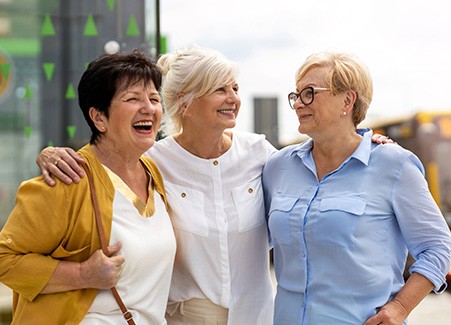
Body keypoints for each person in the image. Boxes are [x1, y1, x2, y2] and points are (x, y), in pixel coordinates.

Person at [35, 46, 392, 325]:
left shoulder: (261, 155)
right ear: (186, 104)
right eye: (220, 89)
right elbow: (106, 160)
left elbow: (322, 171)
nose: (233, 98)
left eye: (235, 87)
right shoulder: (153, 162)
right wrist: (50, 154)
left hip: (258, 317)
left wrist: (364, 144)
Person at [262, 51, 451, 325]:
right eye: (296, 95)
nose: (298, 104)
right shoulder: (277, 166)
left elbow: (437, 247)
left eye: (309, 93)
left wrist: (400, 308)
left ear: (347, 100)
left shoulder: (394, 164)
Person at [0, 50, 176, 324]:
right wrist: (83, 274)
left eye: (154, 99)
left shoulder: (153, 171)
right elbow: (4, 259)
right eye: (132, 99)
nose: (149, 108)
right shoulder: (66, 179)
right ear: (99, 118)